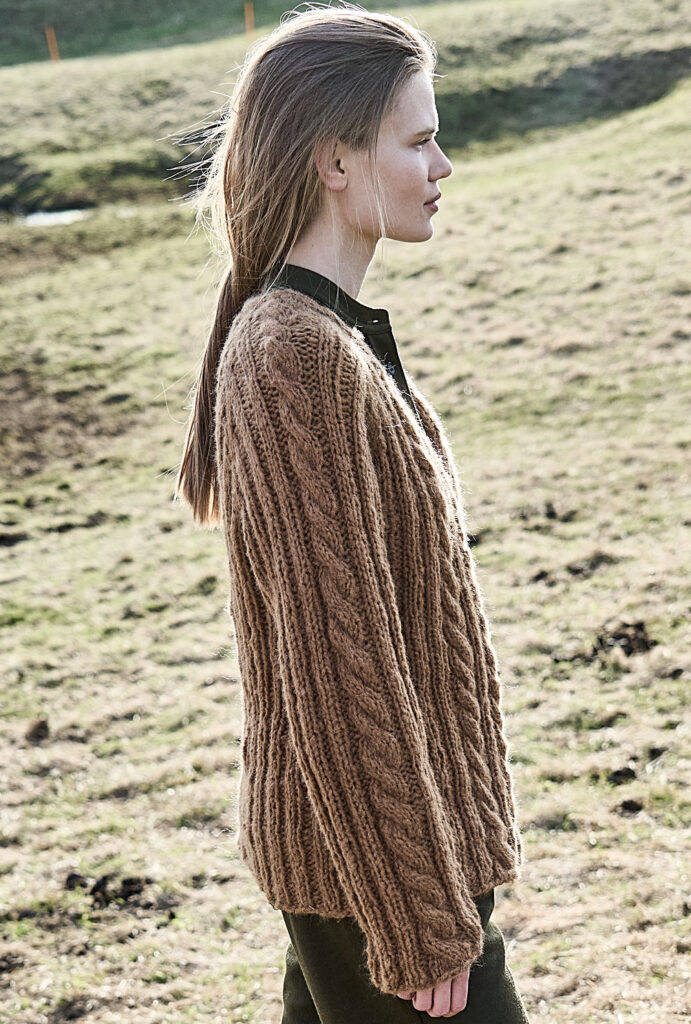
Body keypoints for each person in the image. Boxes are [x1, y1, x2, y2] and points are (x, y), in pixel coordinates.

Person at [175, 3, 531, 1021]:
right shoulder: (292, 356)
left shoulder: (324, 339)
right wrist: (414, 912)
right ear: (335, 160)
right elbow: (339, 659)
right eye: (417, 141)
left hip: (385, 857)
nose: (442, 165)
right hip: (380, 880)